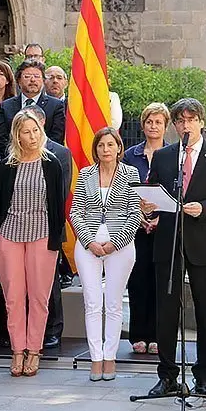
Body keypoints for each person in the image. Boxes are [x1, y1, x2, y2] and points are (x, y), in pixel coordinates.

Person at [142, 98, 206, 397]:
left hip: (204, 243)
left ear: (201, 122)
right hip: (168, 243)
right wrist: (149, 207)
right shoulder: (164, 156)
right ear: (175, 125)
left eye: (191, 119)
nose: (186, 125)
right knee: (166, 311)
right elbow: (155, 192)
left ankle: (204, 376)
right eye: (180, 121)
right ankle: (168, 375)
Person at [0, 111, 64, 377]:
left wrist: (57, 240)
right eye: (25, 131)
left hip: (42, 235)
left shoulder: (52, 163)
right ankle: (17, 351)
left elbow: (58, 205)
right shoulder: (7, 165)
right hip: (10, 234)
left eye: (35, 130)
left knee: (38, 297)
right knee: (12, 297)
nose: (31, 136)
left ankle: (34, 350)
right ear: (17, 136)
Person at [71, 128, 141, 381]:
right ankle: (95, 358)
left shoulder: (130, 173)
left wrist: (115, 243)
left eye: (110, 145)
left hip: (120, 246)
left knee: (113, 303)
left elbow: (135, 213)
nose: (106, 150)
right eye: (101, 146)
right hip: (88, 245)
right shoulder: (86, 174)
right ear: (96, 149)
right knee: (92, 302)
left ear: (119, 148)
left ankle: (110, 358)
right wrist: (89, 242)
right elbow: (76, 212)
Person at [20, 104, 72, 350]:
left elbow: (60, 194)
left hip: (48, 226)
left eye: (35, 127)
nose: (31, 134)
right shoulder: (16, 152)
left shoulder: (59, 153)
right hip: (20, 228)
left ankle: (52, 329)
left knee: (48, 283)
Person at [123, 103, 169, 355]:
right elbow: (123, 188)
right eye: (149, 122)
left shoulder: (174, 153)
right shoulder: (130, 155)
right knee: (138, 280)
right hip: (136, 226)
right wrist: (137, 215)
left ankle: (157, 335)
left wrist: (160, 218)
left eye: (158, 122)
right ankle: (138, 334)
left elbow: (177, 189)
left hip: (164, 226)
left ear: (165, 126)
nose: (153, 126)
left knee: (159, 281)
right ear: (143, 125)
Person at [0, 59, 65, 156]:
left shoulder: (56, 105)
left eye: (37, 76)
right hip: (14, 160)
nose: (32, 80)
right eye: (27, 76)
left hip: (46, 160)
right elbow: (0, 139)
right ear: (18, 80)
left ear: (43, 81)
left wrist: (37, 156)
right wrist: (16, 156)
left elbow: (57, 138)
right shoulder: (6, 106)